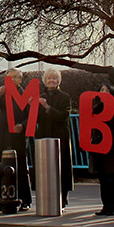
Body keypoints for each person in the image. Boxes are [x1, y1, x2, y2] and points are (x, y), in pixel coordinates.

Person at [34, 68, 74, 209]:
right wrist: (30, 106)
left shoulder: (65, 97)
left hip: (59, 136)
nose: (52, 81)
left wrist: (47, 107)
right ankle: (45, 198)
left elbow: (63, 115)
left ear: (58, 81)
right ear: (45, 81)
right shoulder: (39, 96)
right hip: (44, 135)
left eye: (54, 79)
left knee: (60, 167)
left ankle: (62, 199)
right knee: (44, 168)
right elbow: (35, 118)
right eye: (49, 79)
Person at [0, 69, 32, 211]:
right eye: (9, 78)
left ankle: (25, 200)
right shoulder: (5, 94)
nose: (12, 80)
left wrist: (23, 125)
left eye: (15, 78)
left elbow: (32, 115)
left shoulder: (25, 94)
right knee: (3, 169)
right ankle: (4, 199)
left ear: (20, 80)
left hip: (18, 136)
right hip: (4, 136)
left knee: (21, 169)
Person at [93, 84, 114, 216]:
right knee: (103, 178)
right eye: (102, 90)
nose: (104, 92)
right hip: (100, 147)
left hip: (113, 148)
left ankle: (113, 206)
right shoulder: (96, 108)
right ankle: (105, 206)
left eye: (107, 90)